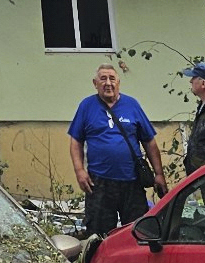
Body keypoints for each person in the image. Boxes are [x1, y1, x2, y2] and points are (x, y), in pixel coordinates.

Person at [69, 63, 167, 234]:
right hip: (99, 182)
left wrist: (159, 174)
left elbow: (149, 141)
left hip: (131, 181)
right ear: (95, 83)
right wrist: (79, 170)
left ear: (118, 83)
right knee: (99, 234)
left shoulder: (132, 105)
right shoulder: (86, 106)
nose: (108, 83)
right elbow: (76, 140)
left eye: (112, 78)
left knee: (139, 232)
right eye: (103, 79)